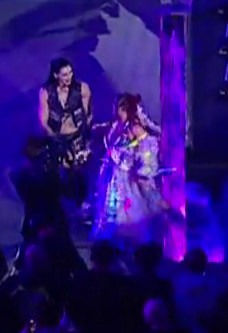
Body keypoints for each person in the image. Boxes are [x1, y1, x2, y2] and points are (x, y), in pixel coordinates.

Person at [96, 93, 166, 242]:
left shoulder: (134, 126)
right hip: (114, 173)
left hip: (127, 174)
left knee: (128, 210)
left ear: (124, 109)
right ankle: (111, 239)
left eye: (118, 108)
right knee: (111, 208)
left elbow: (145, 145)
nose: (115, 111)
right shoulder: (116, 125)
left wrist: (136, 162)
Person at [37, 57, 93, 214]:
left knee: (79, 171)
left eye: (70, 73)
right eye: (64, 74)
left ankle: (82, 201)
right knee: (55, 172)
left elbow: (88, 113)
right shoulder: (46, 92)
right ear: (56, 75)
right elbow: (43, 120)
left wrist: (84, 134)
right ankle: (55, 203)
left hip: (77, 136)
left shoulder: (82, 89)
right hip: (57, 137)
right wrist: (54, 139)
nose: (69, 77)